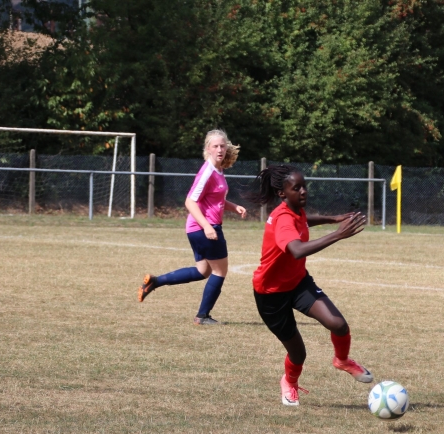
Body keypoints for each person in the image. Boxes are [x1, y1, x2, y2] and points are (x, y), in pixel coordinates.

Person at [248, 164, 372, 407]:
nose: (303, 191)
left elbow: (305, 221)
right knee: (298, 353)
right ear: (283, 193)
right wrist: (337, 234)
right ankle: (289, 382)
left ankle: (342, 360)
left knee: (338, 324)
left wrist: (333, 218)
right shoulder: (283, 218)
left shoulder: (295, 211)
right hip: (271, 294)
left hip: (297, 283)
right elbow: (296, 250)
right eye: (297, 188)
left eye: (304, 186)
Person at [137, 129, 247, 324]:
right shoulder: (208, 171)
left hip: (196, 229)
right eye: (215, 146)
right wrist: (207, 226)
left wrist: (233, 207)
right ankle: (202, 316)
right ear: (208, 149)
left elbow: (214, 200)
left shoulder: (218, 170)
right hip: (205, 228)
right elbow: (190, 201)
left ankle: (155, 281)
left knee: (202, 271)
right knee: (220, 271)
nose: (220, 149)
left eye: (222, 146)